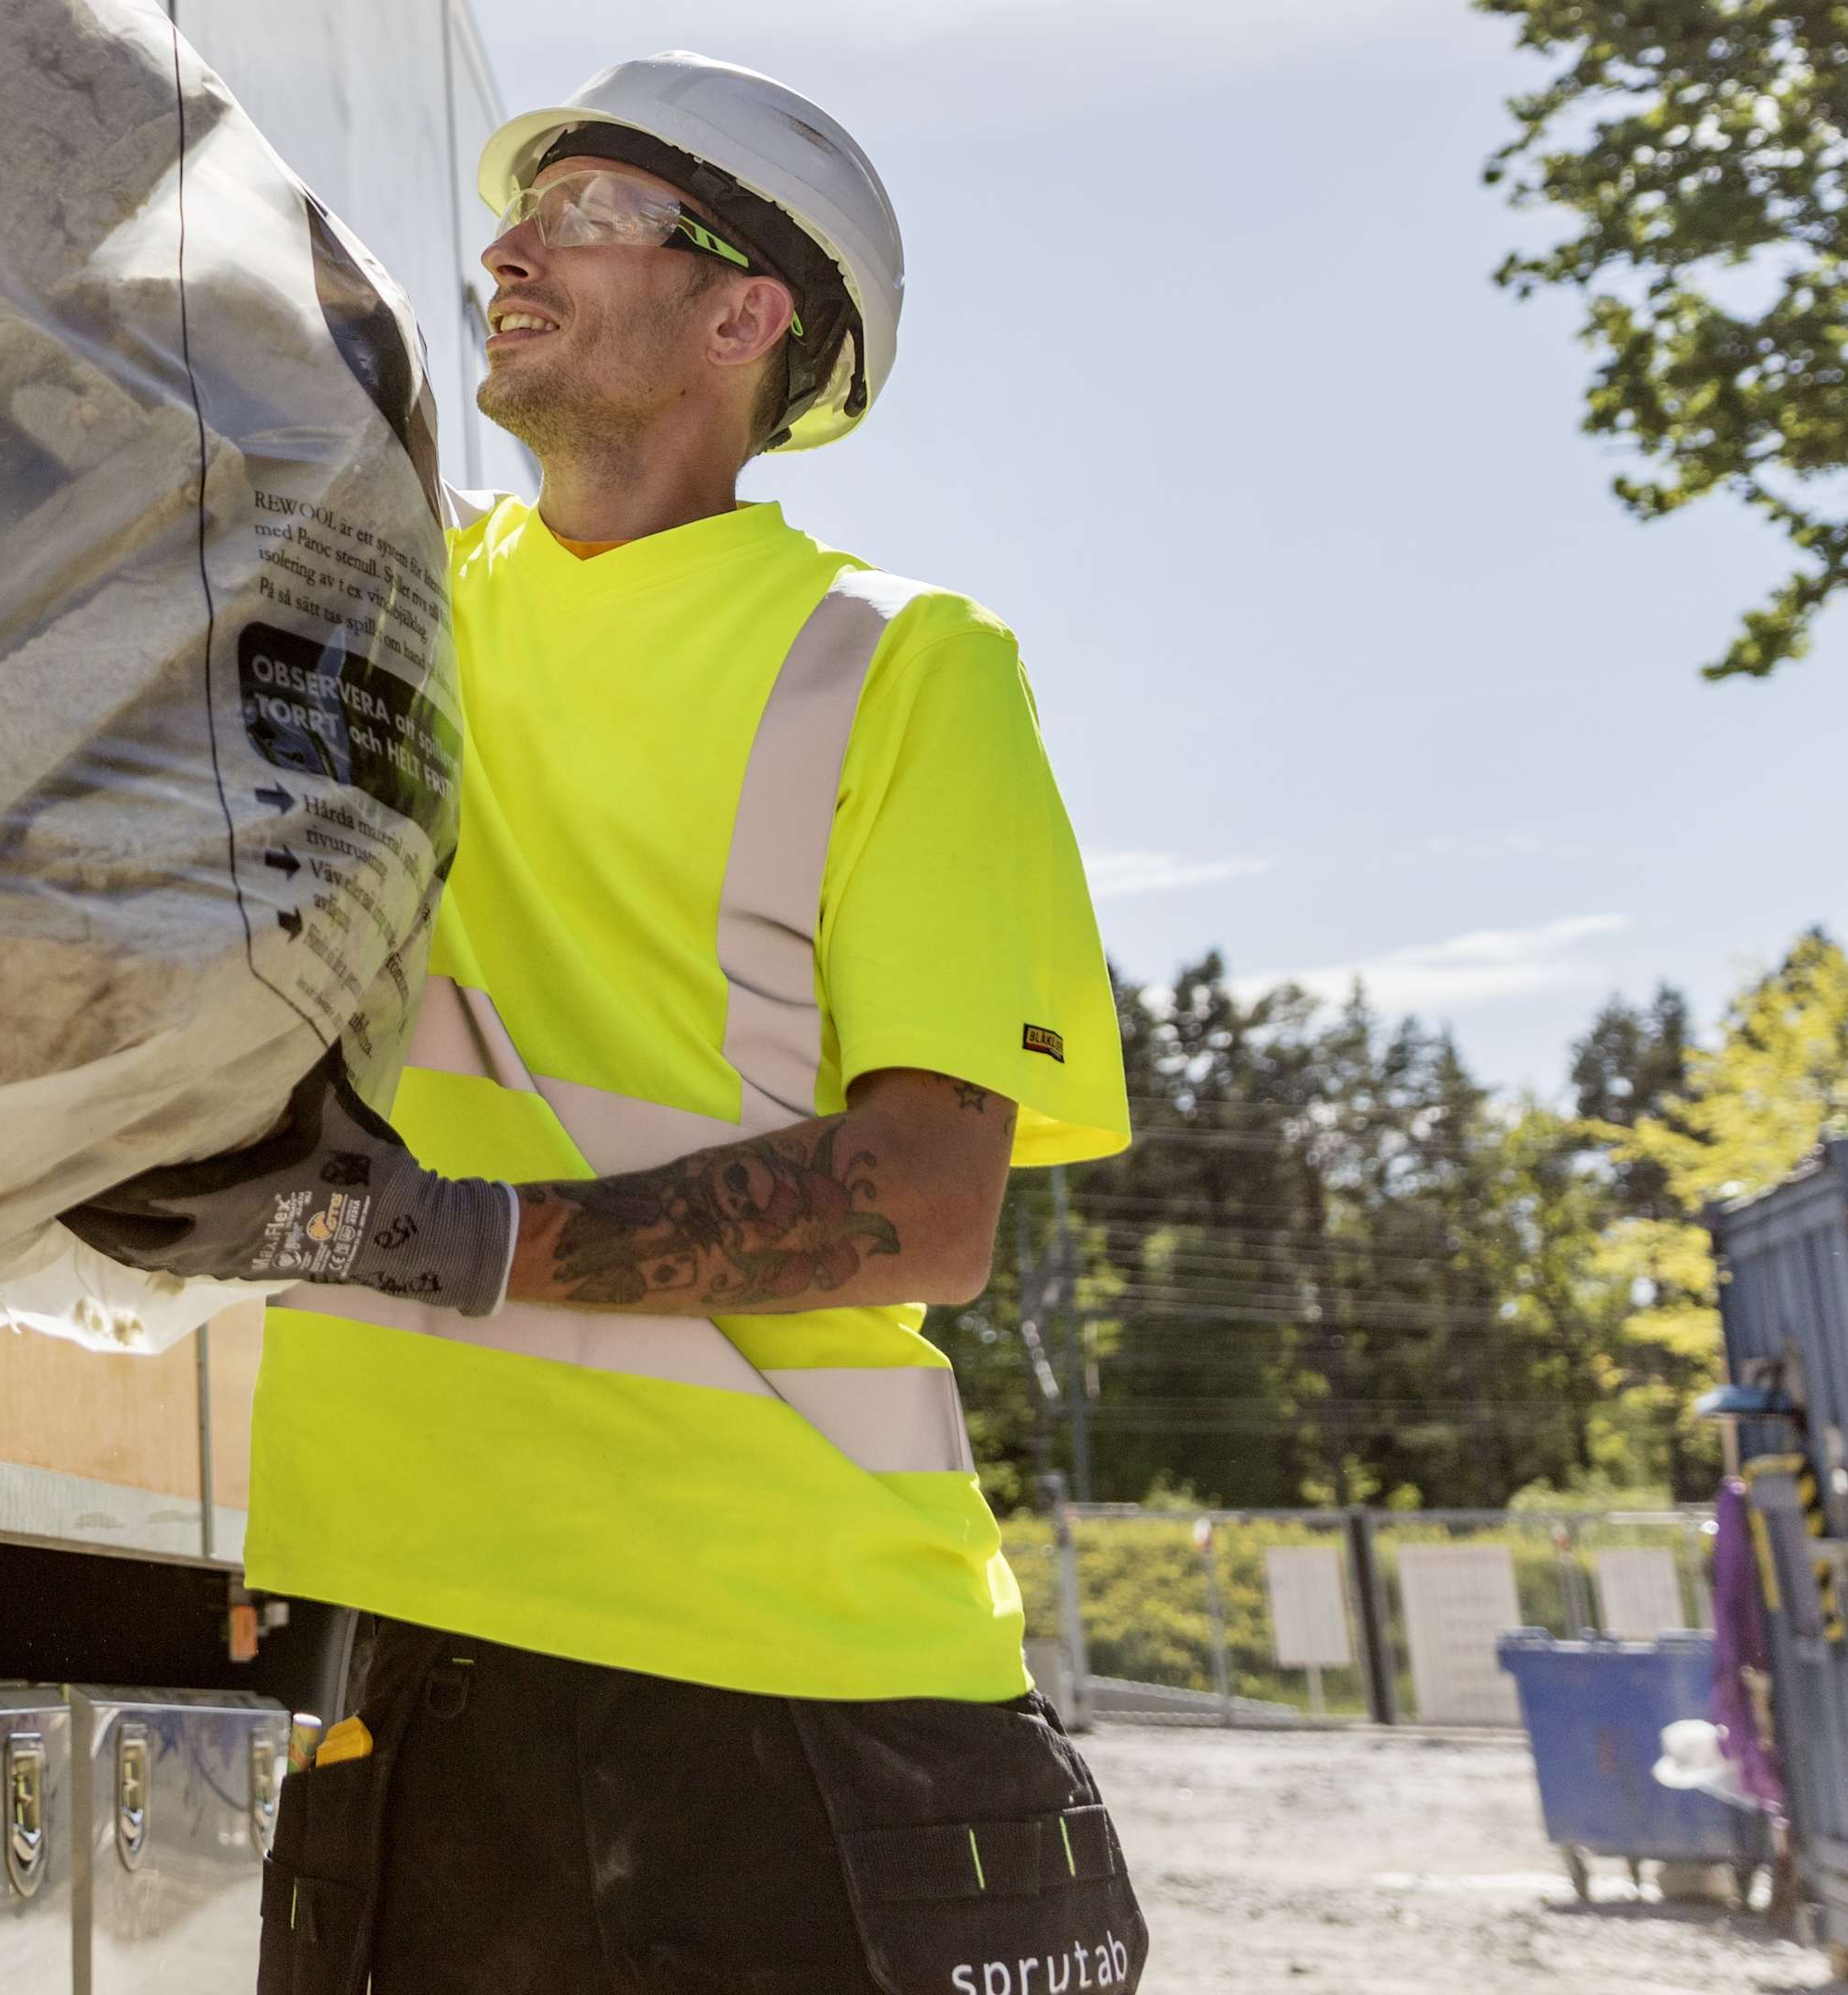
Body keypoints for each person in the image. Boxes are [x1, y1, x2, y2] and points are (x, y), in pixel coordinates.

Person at [60, 51, 1150, 1995]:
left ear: (742, 313)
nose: (508, 248)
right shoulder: (398, 596)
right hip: (415, 1647)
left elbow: (923, 1204)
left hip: (785, 1674)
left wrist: (447, 1237)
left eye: (584, 214)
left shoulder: (896, 666)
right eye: (518, 210)